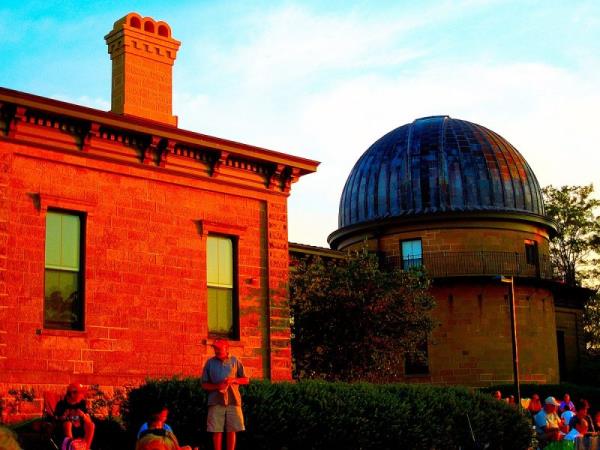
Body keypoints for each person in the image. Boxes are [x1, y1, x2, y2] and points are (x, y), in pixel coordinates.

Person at [201, 339, 249, 450]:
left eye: (218, 348)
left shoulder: (235, 361)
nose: (216, 350)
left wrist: (233, 380)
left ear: (226, 348)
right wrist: (218, 386)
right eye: (215, 348)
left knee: (232, 430)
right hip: (215, 400)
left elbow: (246, 380)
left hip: (233, 400)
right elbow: (204, 384)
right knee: (216, 430)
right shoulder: (210, 363)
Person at [54, 383, 95, 450]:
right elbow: (57, 420)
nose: (83, 396)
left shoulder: (82, 403)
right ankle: (71, 447)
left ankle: (86, 448)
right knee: (68, 424)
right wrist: (64, 415)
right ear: (72, 394)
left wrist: (83, 415)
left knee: (91, 425)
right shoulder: (61, 404)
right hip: (66, 429)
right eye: (81, 393)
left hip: (80, 427)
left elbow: (89, 420)